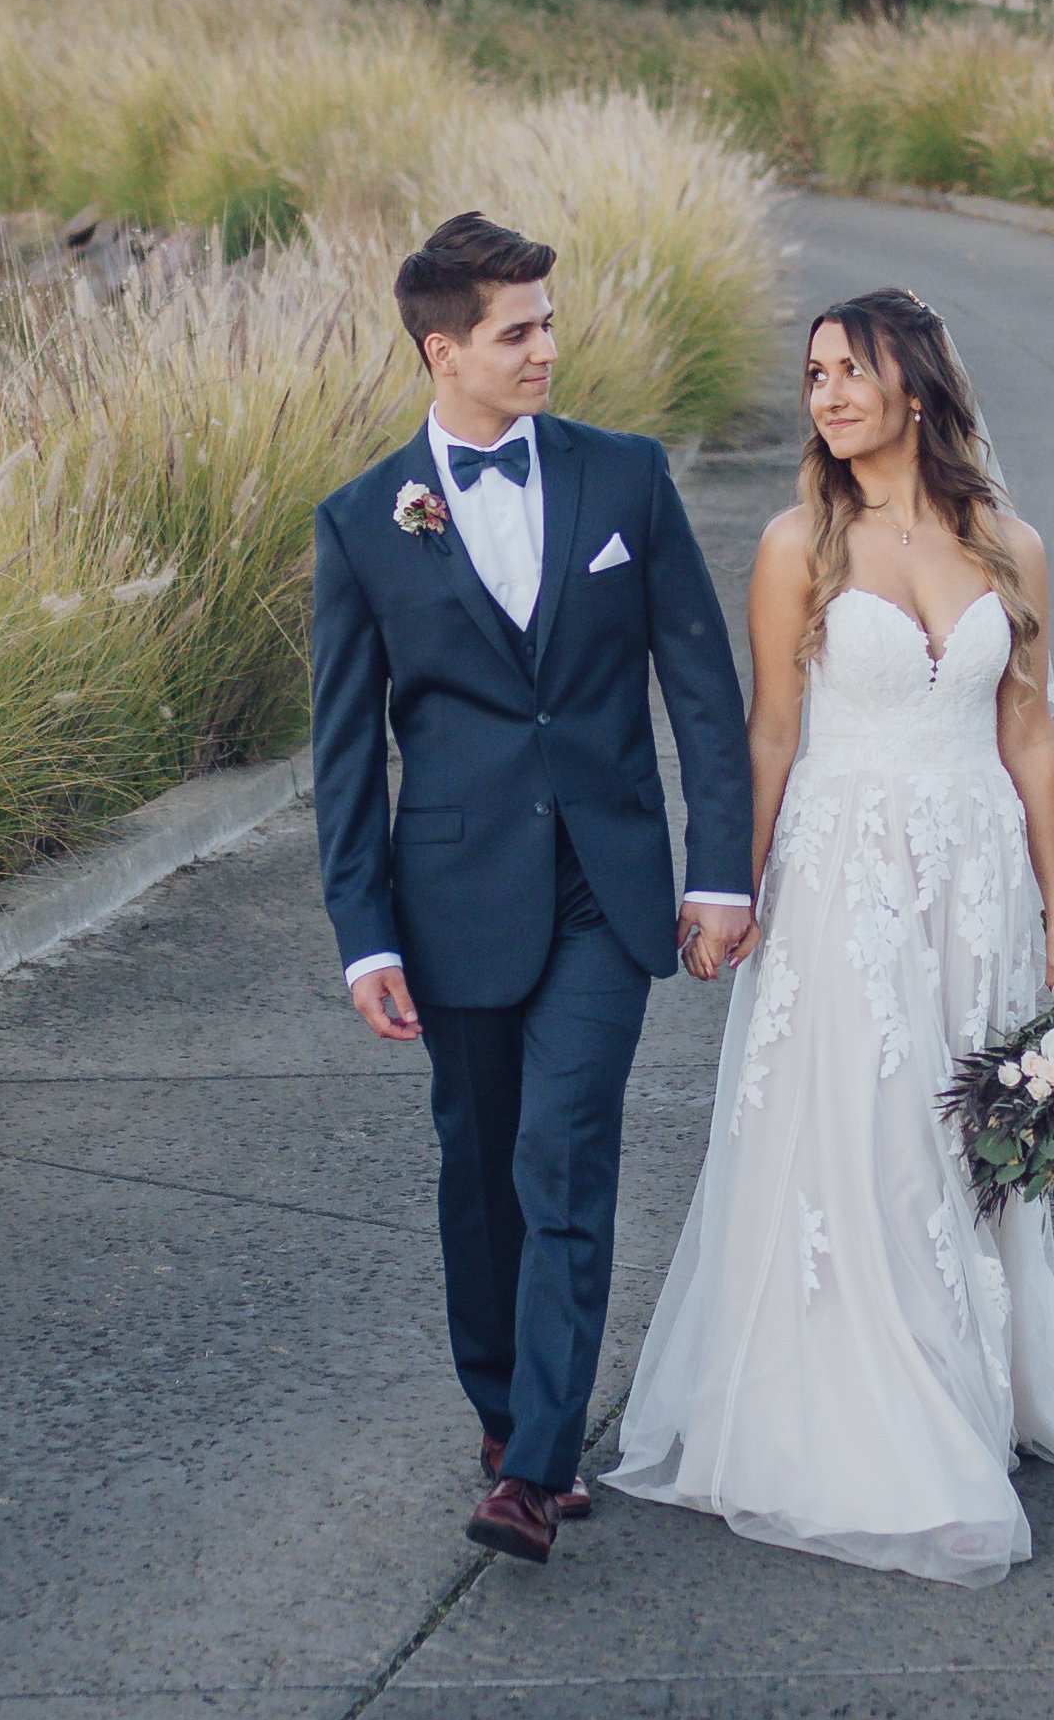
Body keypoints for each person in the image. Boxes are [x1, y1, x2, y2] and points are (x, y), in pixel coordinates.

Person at [602, 287, 1054, 1583]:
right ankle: (875, 1412)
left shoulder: (1011, 546)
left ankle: (969, 1369)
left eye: (849, 372)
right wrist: (733, 880)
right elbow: (771, 727)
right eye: (814, 373)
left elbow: (1031, 735)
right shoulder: (798, 546)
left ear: (918, 392)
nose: (824, 394)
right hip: (845, 875)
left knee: (961, 1140)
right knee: (870, 1133)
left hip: (979, 876)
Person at [310, 212, 757, 1565]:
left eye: (549, 323)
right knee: (479, 1171)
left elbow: (701, 690)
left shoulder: (626, 481)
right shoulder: (362, 522)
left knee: (565, 1153)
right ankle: (505, 1411)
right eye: (519, 331)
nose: (546, 349)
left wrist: (720, 870)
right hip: (452, 903)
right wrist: (360, 936)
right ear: (445, 352)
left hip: (603, 894)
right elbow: (343, 756)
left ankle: (541, 1463)